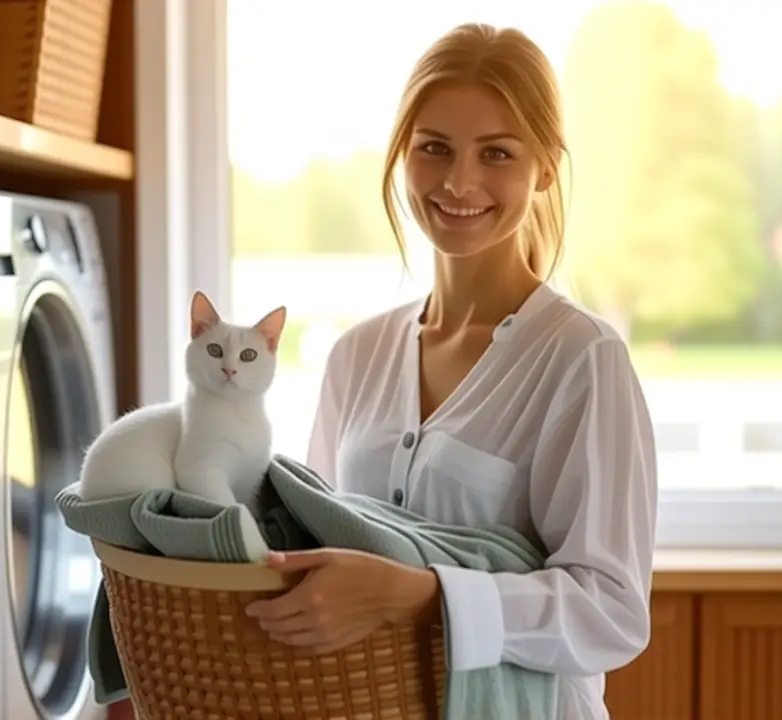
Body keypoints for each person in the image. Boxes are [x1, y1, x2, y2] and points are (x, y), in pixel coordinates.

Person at [243, 22, 659, 719]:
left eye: (496, 153)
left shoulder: (581, 359)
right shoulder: (357, 356)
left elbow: (611, 613)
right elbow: (315, 545)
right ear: (404, 155)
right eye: (434, 148)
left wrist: (421, 594)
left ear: (546, 167)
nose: (459, 182)